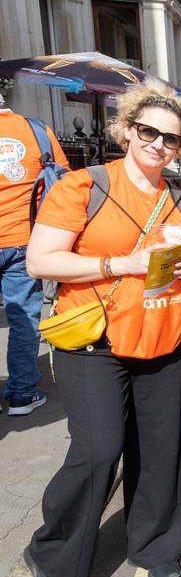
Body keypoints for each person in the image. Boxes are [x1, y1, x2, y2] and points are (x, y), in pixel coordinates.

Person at [24, 82, 181, 577]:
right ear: (126, 130)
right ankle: (52, 551)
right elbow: (40, 261)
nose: (158, 144)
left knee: (162, 450)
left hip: (161, 338)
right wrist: (120, 264)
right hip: (93, 341)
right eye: (148, 132)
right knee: (99, 450)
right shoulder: (83, 187)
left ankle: (154, 545)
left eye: (171, 139)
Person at [0, 105, 68, 415]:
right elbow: (64, 183)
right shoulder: (37, 131)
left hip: (21, 240)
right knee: (24, 319)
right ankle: (22, 394)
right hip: (24, 239)